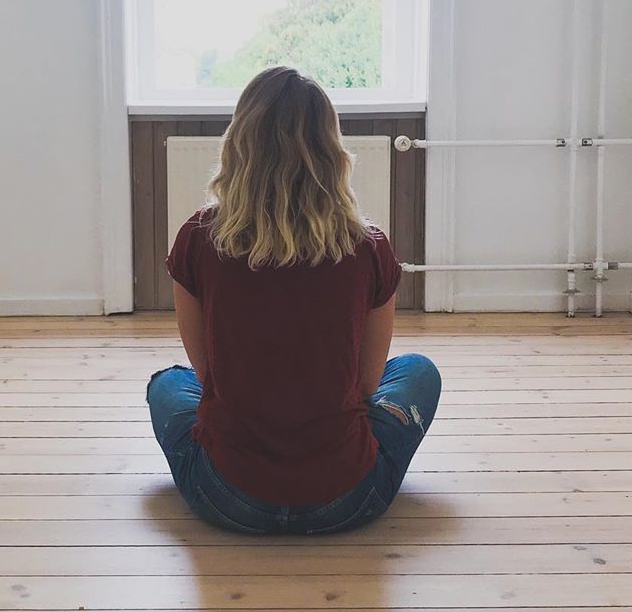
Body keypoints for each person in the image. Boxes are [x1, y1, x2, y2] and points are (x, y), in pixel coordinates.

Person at [147, 65, 442, 535]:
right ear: (331, 148)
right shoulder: (367, 247)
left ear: (238, 141)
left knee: (168, 384)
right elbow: (367, 388)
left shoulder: (198, 238)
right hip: (347, 498)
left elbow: (207, 377)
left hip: (226, 496)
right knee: (418, 372)